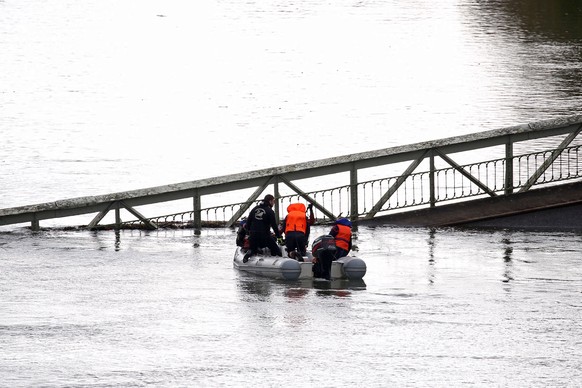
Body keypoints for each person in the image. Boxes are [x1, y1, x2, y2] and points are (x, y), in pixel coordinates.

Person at [244, 194, 282, 262]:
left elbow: (248, 222)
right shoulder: (270, 211)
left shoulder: (254, 209)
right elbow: (274, 225)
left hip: (253, 235)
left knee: (252, 249)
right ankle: (276, 262)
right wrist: (278, 236)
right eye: (273, 201)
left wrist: (249, 232)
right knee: (277, 250)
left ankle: (247, 256)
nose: (273, 203)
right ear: (270, 201)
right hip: (265, 235)